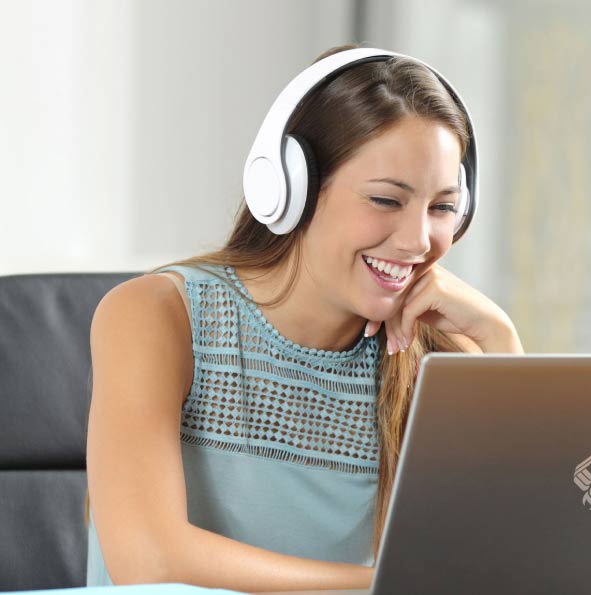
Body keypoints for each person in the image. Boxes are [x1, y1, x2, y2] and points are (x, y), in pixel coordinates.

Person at [84, 44, 523, 590]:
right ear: (289, 188)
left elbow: (504, 564)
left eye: (441, 208)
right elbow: (148, 562)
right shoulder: (155, 315)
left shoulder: (437, 355)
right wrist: (394, 585)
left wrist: (501, 345)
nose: (417, 241)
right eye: (387, 200)